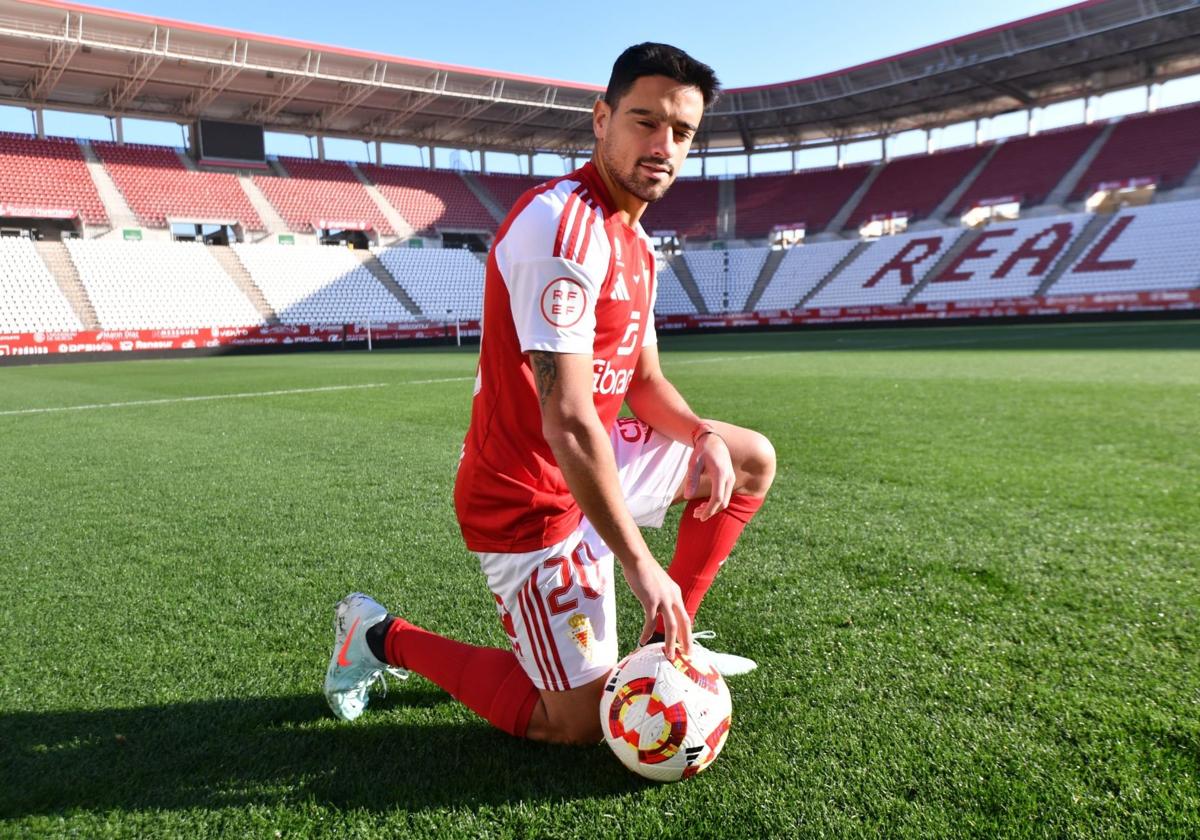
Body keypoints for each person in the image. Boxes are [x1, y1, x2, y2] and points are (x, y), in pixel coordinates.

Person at [325, 42, 775, 745]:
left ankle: (668, 649)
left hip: (587, 464)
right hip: (526, 495)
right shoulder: (559, 227)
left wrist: (702, 435)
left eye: (680, 132)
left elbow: (645, 384)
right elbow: (566, 417)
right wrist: (640, 563)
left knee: (748, 457)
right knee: (575, 725)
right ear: (601, 119)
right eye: (643, 121)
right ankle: (378, 635)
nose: (662, 145)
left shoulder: (637, 244)